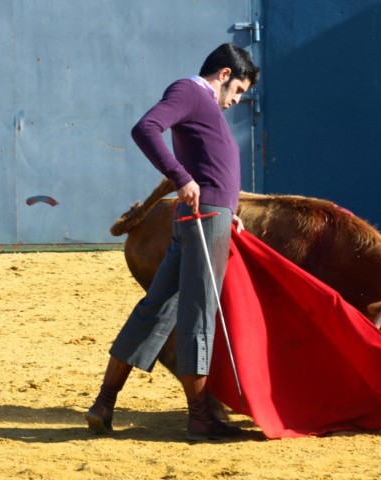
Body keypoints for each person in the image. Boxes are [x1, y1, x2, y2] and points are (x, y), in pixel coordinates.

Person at [85, 43, 259, 440]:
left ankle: (103, 404)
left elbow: (211, 165)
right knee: (197, 315)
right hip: (203, 219)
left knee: (155, 309)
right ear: (225, 75)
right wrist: (180, 178)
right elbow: (145, 128)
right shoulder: (190, 91)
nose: (235, 102)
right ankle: (201, 419)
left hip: (207, 217)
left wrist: (230, 212)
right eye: (238, 92)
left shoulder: (202, 103)